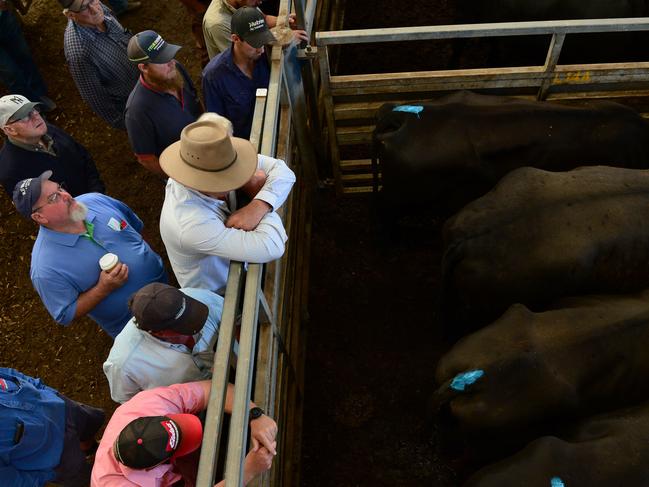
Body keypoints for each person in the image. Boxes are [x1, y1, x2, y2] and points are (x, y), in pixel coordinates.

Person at [13, 170, 167, 338]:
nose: (65, 195)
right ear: (39, 217)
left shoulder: (95, 200)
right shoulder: (44, 267)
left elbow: (136, 226)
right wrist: (103, 288)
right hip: (138, 326)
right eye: (54, 198)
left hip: (166, 287)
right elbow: (65, 314)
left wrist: (154, 258)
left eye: (59, 188)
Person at [159, 116, 295, 293]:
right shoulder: (189, 225)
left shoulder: (202, 161)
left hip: (235, 259)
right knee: (238, 314)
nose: (236, 181)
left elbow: (284, 172)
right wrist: (258, 193)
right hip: (220, 290)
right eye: (223, 178)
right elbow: (272, 245)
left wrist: (259, 204)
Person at [91, 380, 277, 486]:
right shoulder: (116, 484)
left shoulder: (148, 404)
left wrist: (255, 415)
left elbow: (213, 389)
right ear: (156, 466)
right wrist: (246, 472)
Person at [103, 282, 224, 403]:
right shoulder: (123, 364)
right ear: (159, 333)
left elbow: (238, 321)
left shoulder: (200, 297)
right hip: (189, 408)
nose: (193, 324)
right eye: (184, 324)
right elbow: (130, 403)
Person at [0, 366, 105, 486]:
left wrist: (46, 390)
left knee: (89, 426)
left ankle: (92, 449)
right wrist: (50, 473)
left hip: (62, 406)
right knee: (91, 478)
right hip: (59, 459)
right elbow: (14, 482)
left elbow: (11, 375)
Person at [125, 30, 203, 177]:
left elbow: (195, 99)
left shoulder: (175, 68)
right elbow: (146, 158)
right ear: (144, 67)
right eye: (162, 60)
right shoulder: (137, 111)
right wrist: (178, 179)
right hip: (184, 167)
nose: (171, 62)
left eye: (169, 55)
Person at [0, 94, 105, 197]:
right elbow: (37, 209)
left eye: (33, 109)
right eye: (25, 116)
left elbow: (83, 156)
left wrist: (96, 194)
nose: (36, 115)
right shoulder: (12, 171)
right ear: (9, 129)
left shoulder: (49, 130)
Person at [59, 0, 139, 129]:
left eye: (92, 0)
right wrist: (125, 124)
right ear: (70, 15)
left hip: (145, 78)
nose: (95, 10)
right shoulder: (79, 53)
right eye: (84, 7)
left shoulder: (101, 8)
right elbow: (95, 97)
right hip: (133, 102)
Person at [202, 7, 273, 139]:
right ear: (235, 39)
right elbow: (217, 127)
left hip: (273, 129)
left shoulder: (267, 53)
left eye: (263, 41)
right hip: (244, 144)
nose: (261, 50)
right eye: (255, 44)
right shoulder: (213, 77)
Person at [0, 2, 56, 110]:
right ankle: (31, 106)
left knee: (24, 56)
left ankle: (39, 94)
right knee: (11, 73)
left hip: (4, 19)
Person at [202, 0, 291, 59]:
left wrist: (286, 20)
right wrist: (284, 37)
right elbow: (244, 57)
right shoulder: (218, 24)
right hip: (238, 78)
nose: (260, 2)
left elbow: (263, 19)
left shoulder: (245, 4)